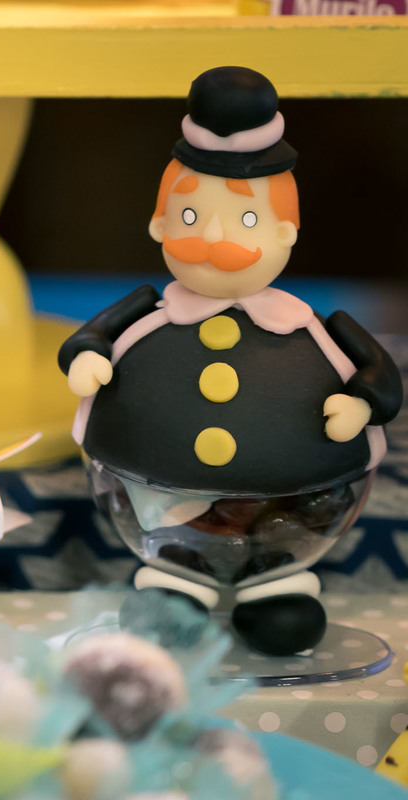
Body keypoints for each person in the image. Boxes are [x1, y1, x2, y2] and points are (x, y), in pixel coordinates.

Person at [59, 66, 401, 656]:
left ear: (287, 233)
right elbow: (88, 338)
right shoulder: (146, 312)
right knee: (165, 613)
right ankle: (177, 583)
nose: (216, 241)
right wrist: (87, 356)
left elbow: (382, 378)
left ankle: (272, 585)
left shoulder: (314, 328)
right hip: (148, 497)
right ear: (160, 225)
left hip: (302, 504)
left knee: (286, 623)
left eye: (246, 221)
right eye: (192, 218)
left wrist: (363, 401)